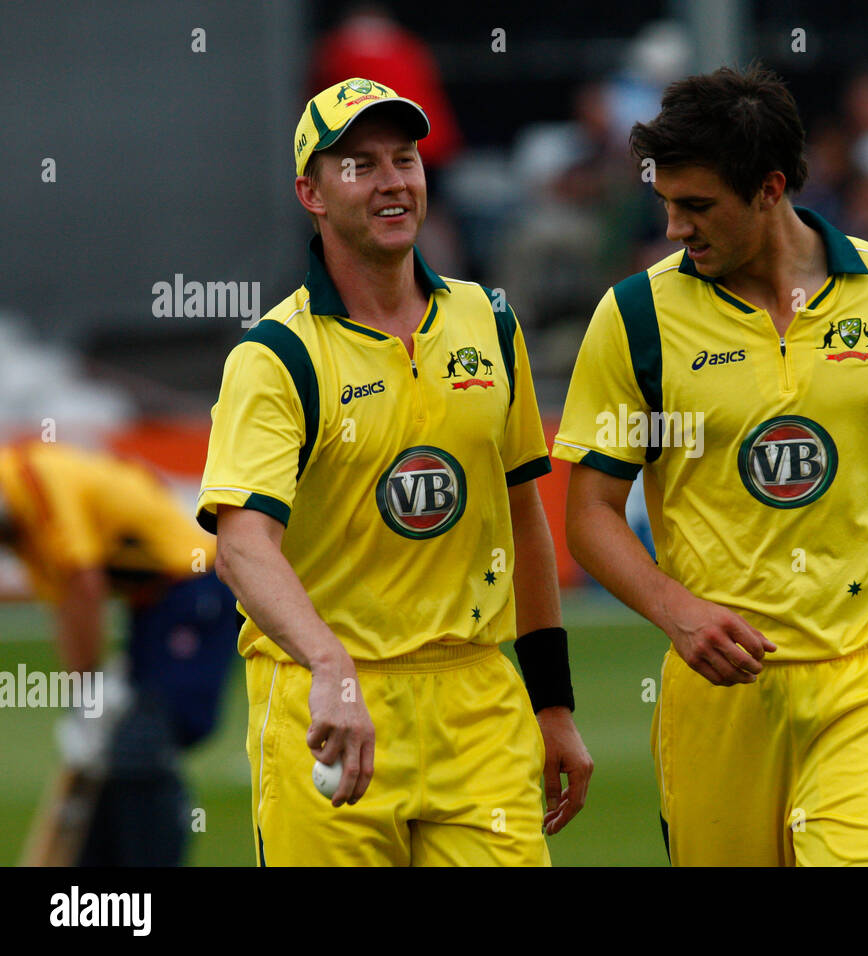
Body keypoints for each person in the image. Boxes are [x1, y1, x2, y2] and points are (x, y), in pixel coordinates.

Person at [554, 65, 868, 866]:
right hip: (719, 697)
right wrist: (676, 611)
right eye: (667, 204)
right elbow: (591, 514)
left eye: (698, 206)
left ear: (770, 188)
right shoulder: (636, 316)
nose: (676, 228)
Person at [197, 78, 591, 866]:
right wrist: (329, 663)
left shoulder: (490, 320)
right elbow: (241, 547)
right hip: (330, 706)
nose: (391, 182)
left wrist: (553, 702)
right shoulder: (275, 356)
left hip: (477, 702)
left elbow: (524, 523)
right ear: (311, 191)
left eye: (404, 159)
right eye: (360, 165)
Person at [0, 439, 238, 865]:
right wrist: (83, 705)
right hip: (152, 606)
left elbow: (85, 584)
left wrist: (89, 688)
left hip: (195, 588)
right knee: (111, 756)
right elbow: (66, 606)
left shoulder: (34, 480)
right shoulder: (20, 524)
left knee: (142, 744)